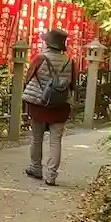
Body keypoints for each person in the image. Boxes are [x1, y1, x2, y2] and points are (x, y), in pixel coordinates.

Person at [23, 28, 74, 186]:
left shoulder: (40, 58)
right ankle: (51, 176)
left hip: (39, 103)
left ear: (48, 43)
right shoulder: (70, 61)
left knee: (36, 138)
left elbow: (28, 77)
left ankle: (36, 168)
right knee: (55, 141)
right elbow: (73, 84)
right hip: (60, 106)